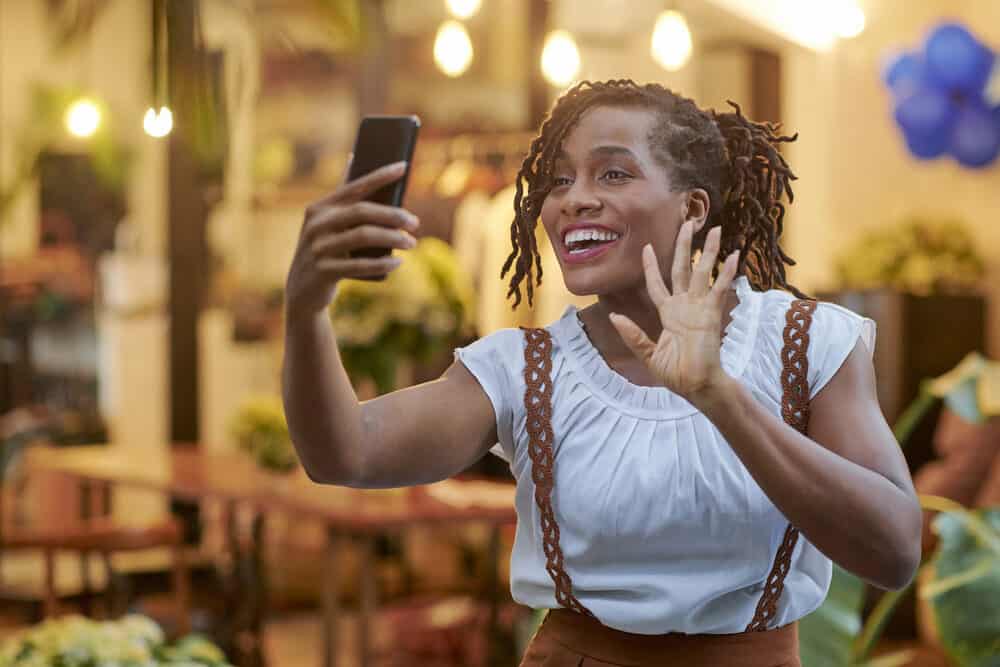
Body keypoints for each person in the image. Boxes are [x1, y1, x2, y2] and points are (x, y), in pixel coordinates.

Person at [282, 79, 922, 666]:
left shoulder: (806, 344)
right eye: (559, 181)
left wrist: (718, 396)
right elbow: (345, 453)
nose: (574, 200)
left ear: (693, 208)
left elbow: (893, 552)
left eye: (612, 173)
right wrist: (306, 308)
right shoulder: (526, 368)